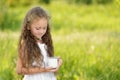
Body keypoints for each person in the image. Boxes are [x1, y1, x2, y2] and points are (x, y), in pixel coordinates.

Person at [16, 6, 62, 80]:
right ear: (28, 26)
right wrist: (43, 70)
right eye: (38, 28)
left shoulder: (45, 43)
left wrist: (57, 63)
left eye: (44, 28)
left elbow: (47, 64)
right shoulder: (26, 45)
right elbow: (19, 70)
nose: (41, 31)